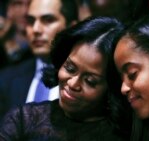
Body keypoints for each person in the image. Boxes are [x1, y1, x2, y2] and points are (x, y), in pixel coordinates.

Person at [0, 16, 131, 141]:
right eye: (70, 68)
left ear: (112, 87)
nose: (73, 83)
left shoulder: (126, 135)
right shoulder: (23, 119)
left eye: (90, 81)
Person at [0, 0, 78, 121]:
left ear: (71, 28)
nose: (35, 29)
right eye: (30, 21)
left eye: (48, 20)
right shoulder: (6, 80)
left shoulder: (82, 83)